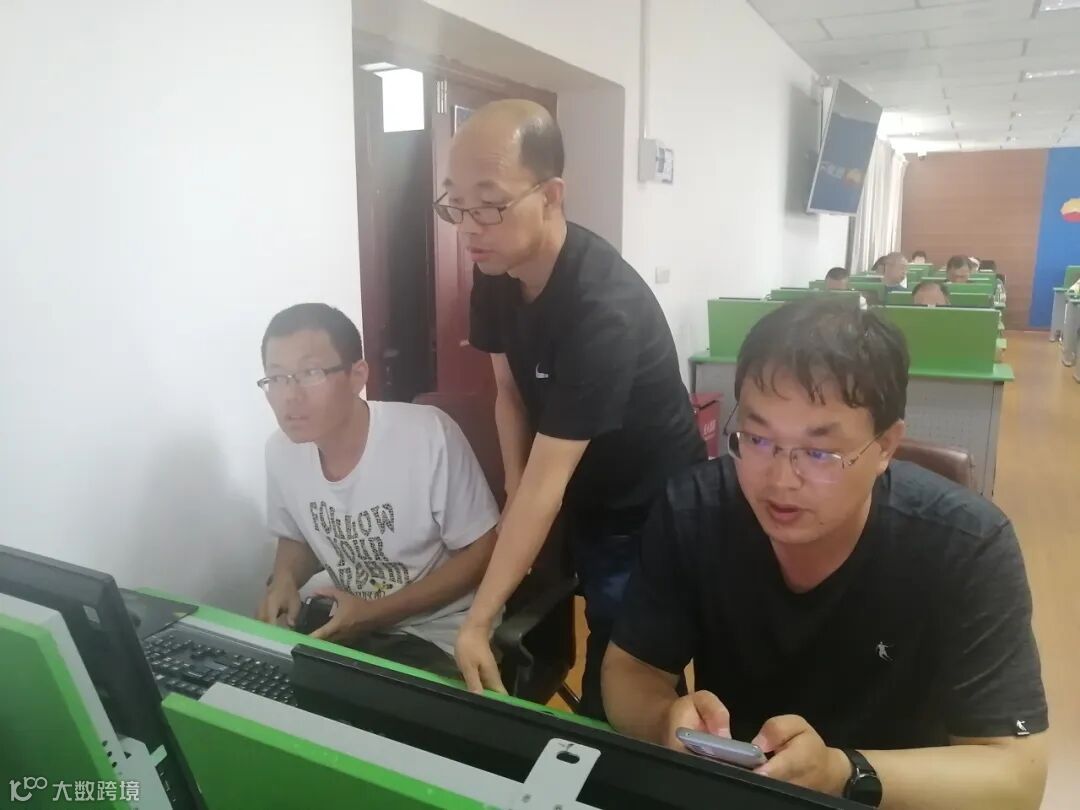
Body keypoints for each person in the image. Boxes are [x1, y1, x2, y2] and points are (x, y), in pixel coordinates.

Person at [603, 297, 1048, 809]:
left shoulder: (967, 545)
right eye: (757, 439)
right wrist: (666, 720)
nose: (780, 480)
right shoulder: (695, 509)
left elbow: (1016, 778)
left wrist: (842, 773)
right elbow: (631, 672)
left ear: (885, 446)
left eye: (818, 453)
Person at [441, 99, 705, 717]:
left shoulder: (602, 310)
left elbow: (548, 482)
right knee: (557, 619)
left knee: (622, 673)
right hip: (574, 484)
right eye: (455, 203)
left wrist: (477, 621)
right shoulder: (495, 267)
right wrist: (514, 488)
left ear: (551, 195)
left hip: (646, 502)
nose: (468, 227)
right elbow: (509, 393)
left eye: (489, 205)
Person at [255, 303, 500, 679]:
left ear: (358, 375)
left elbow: (481, 553)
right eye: (276, 378)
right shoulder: (281, 450)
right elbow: (296, 536)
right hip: (347, 620)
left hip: (439, 631)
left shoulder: (426, 436)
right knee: (262, 683)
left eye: (310, 373)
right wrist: (284, 579)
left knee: (379, 710)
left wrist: (372, 614)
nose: (290, 395)